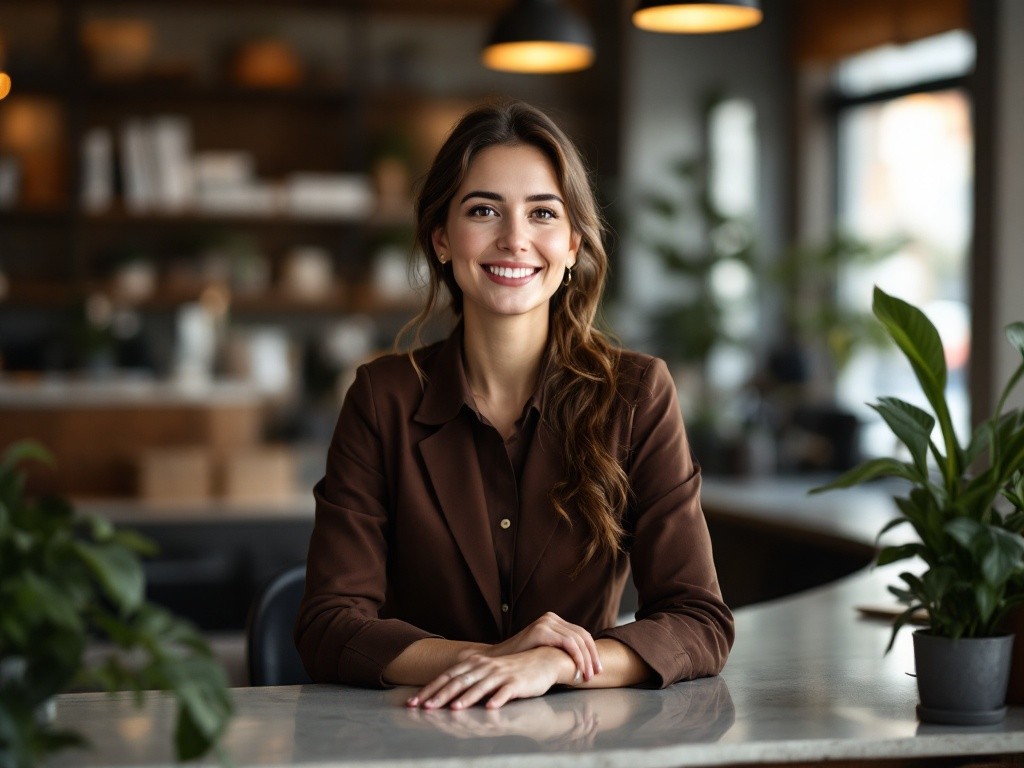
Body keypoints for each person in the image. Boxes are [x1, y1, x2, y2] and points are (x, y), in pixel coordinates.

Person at [295, 100, 734, 710]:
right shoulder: (382, 398)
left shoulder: (637, 395)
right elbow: (329, 625)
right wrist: (493, 659)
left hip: (579, 744)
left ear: (574, 242)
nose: (514, 239)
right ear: (442, 239)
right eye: (483, 210)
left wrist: (551, 664)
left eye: (542, 213)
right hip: (417, 739)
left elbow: (699, 622)